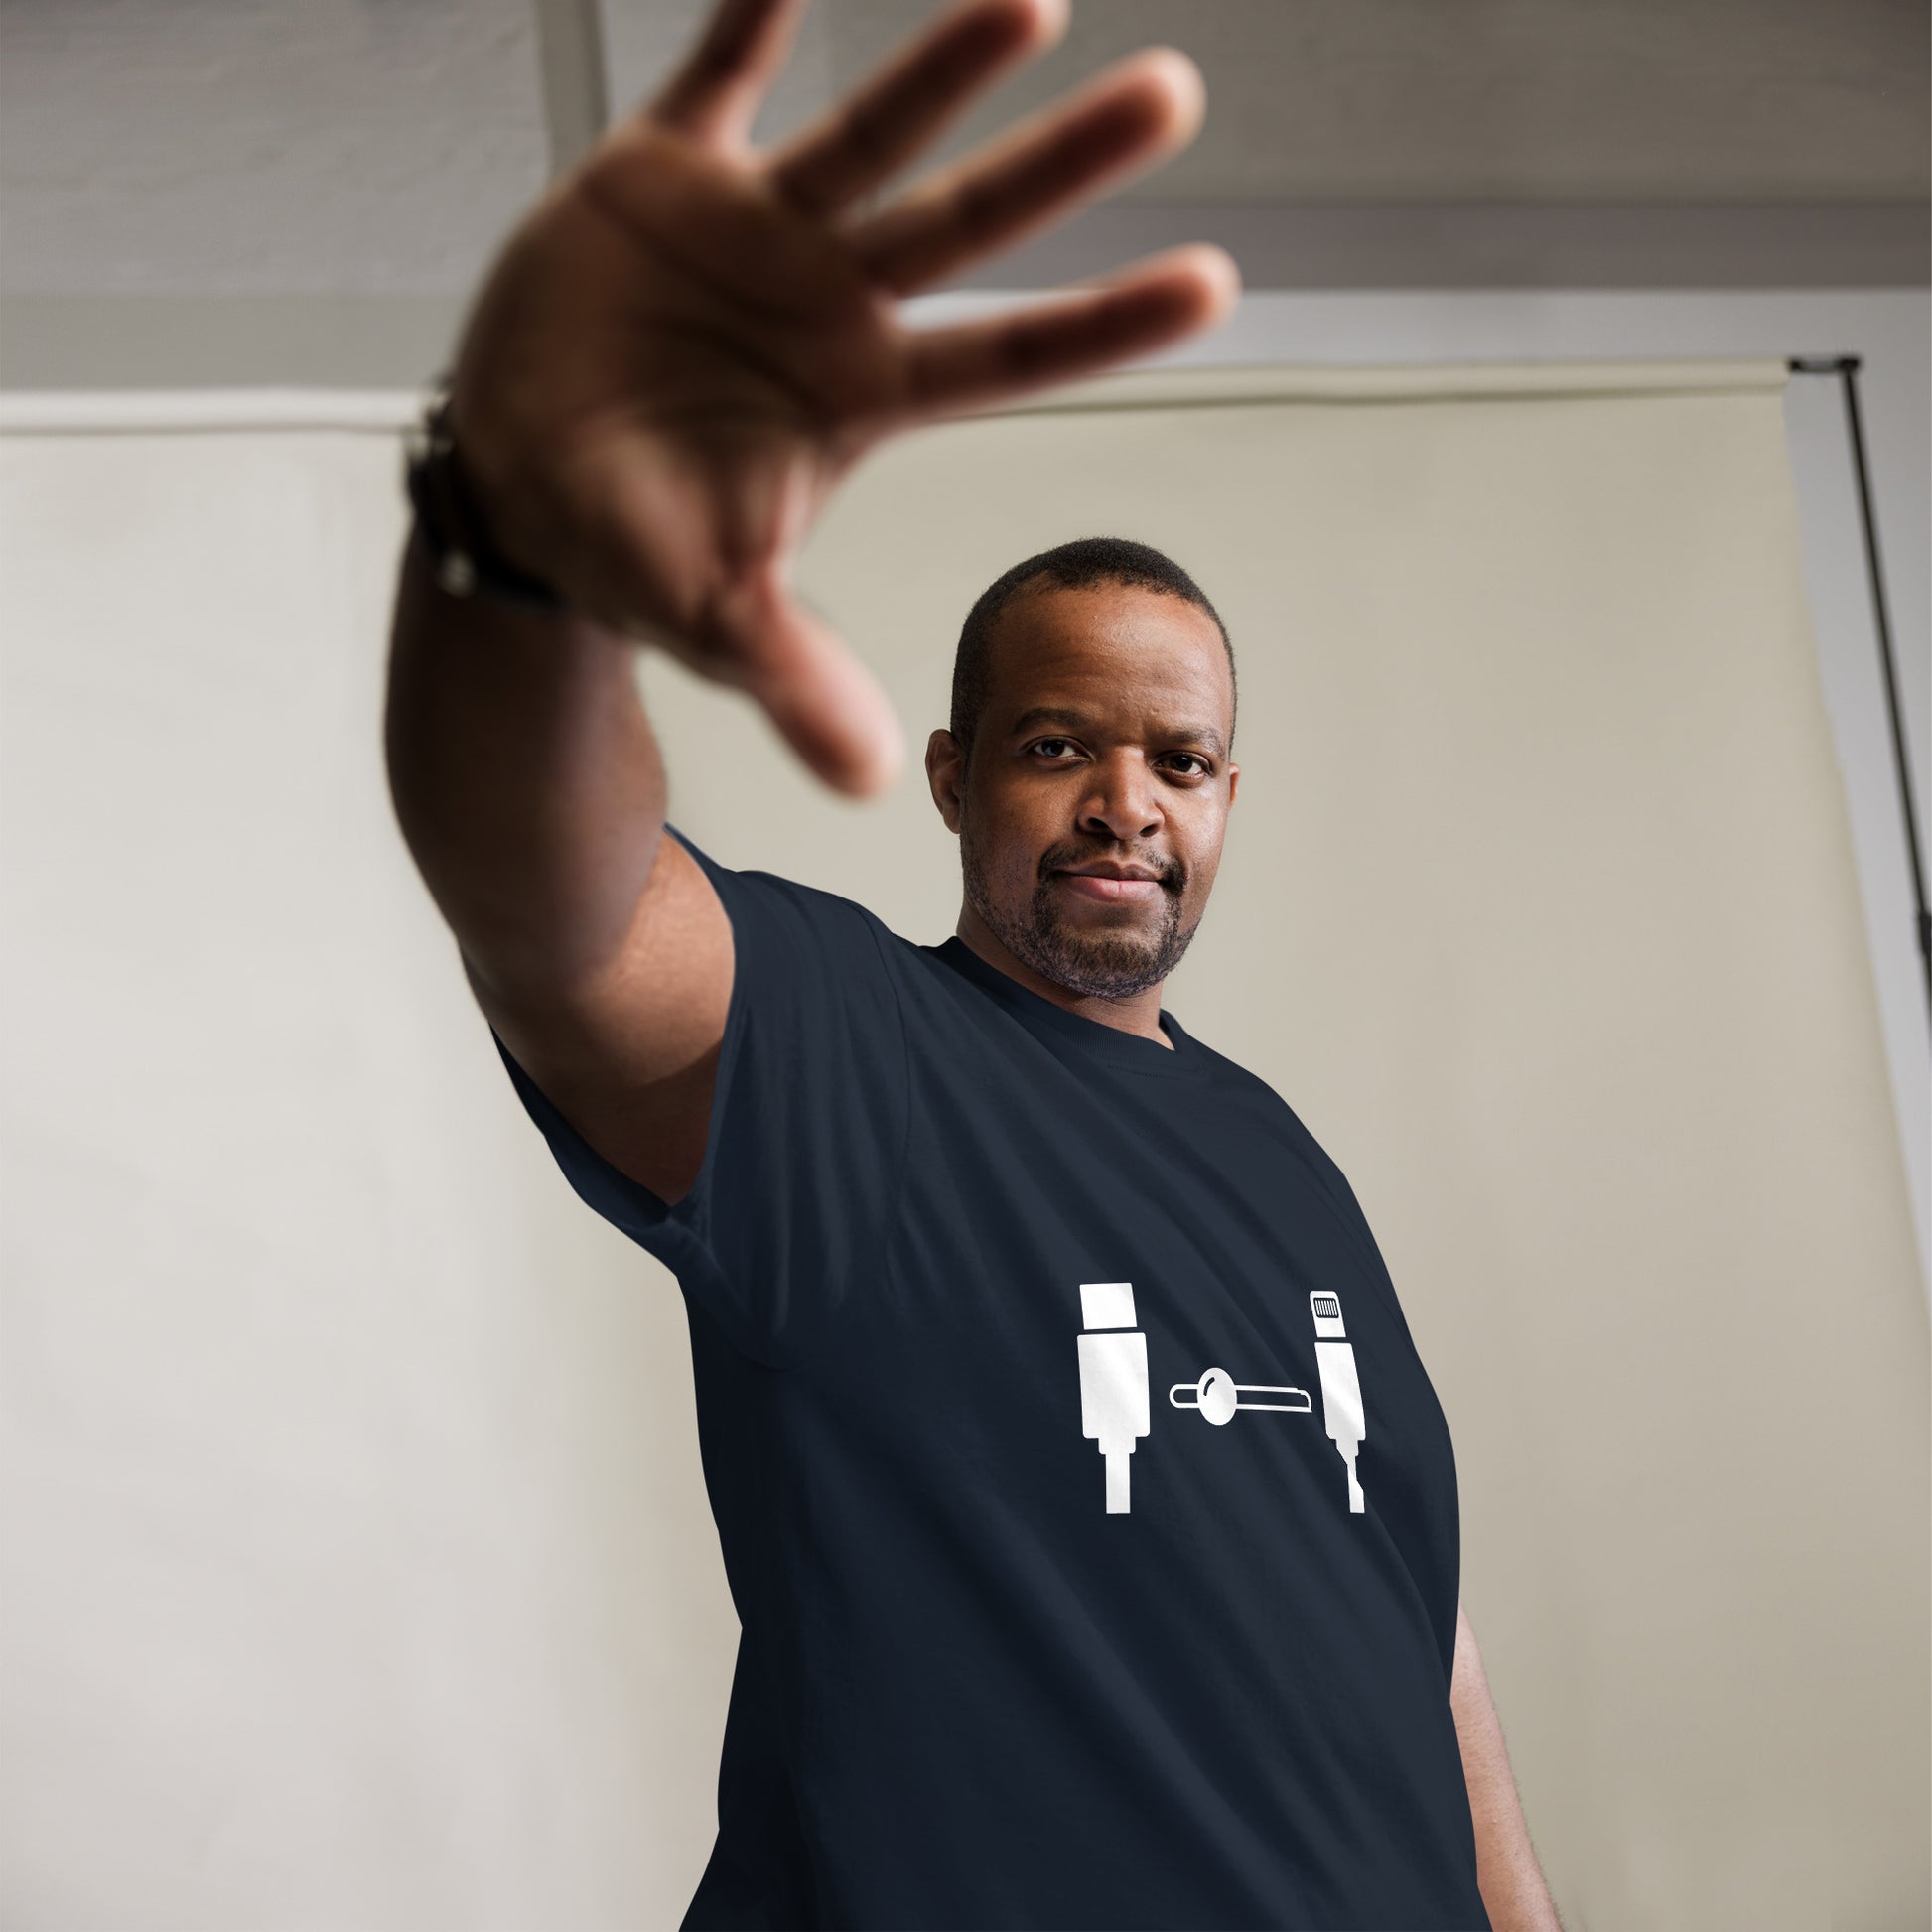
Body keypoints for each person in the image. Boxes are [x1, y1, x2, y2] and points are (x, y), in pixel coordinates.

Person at [383, 0, 1561, 1925]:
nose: (1124, 801)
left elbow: (1417, 1628)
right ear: (952, 776)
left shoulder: (1283, 1160)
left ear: (1228, 797)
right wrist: (523, 548)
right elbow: (561, 918)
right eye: (1054, 745)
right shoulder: (865, 1060)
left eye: (1176, 761)